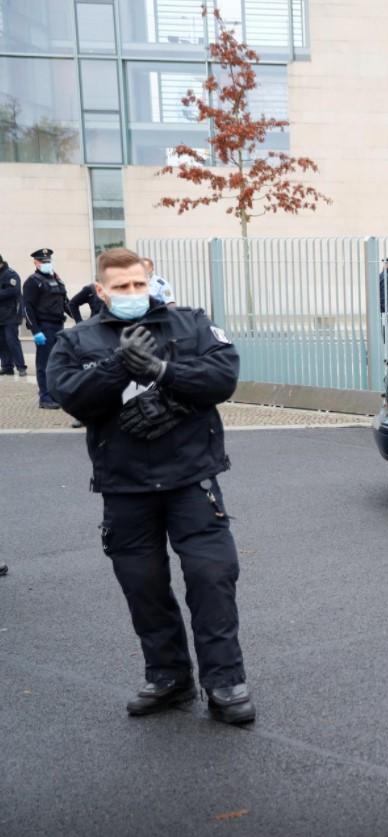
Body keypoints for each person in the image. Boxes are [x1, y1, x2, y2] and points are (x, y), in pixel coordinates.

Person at [47, 247, 255, 726]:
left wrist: (164, 372)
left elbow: (224, 376)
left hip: (191, 481)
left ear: (151, 280)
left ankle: (225, 680)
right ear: (101, 291)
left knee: (212, 578)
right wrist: (119, 367)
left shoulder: (191, 324)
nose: (133, 294)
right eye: (121, 288)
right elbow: (71, 397)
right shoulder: (76, 340)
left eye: (139, 284)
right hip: (125, 488)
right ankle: (169, 678)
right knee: (143, 586)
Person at [21, 248, 72, 408]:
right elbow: (27, 308)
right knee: (45, 364)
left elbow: (66, 303)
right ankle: (45, 397)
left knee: (59, 362)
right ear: (36, 263)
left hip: (59, 325)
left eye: (48, 261)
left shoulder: (57, 279)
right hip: (44, 326)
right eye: (43, 261)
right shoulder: (33, 281)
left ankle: (55, 394)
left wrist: (78, 319)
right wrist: (36, 331)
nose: (46, 264)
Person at [0, 253, 27, 377]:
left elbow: (12, 291)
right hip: (1, 314)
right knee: (2, 342)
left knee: (12, 341)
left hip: (11, 313)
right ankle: (7, 367)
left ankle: (21, 367)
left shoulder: (10, 274)